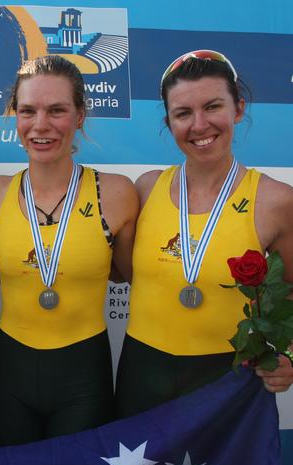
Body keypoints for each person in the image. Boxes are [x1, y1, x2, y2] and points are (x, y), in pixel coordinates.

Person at [115, 50, 293, 418]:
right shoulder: (145, 189)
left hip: (230, 377)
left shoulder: (276, 200)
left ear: (238, 109)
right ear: (169, 121)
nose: (199, 125)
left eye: (213, 106)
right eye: (183, 114)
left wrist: (289, 354)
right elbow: (124, 272)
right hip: (142, 371)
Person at [0, 55, 139, 447]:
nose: (41, 125)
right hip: (10, 373)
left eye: (57, 111)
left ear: (80, 115)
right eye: (28, 111)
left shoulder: (117, 194)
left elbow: (130, 274)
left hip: (83, 375)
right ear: (14, 115)